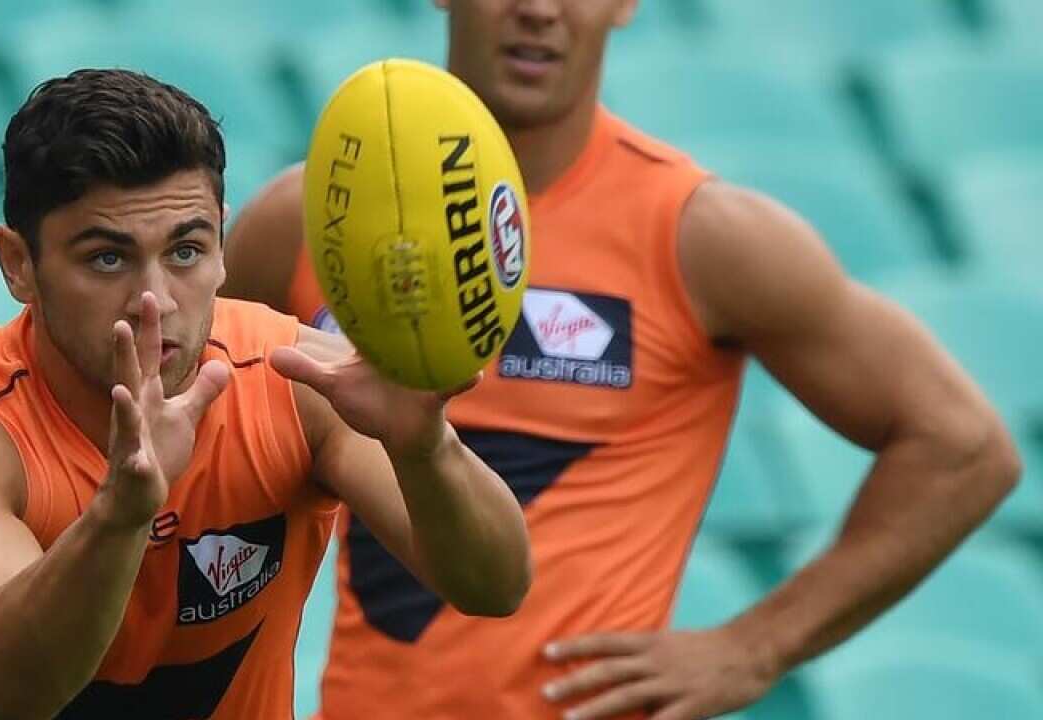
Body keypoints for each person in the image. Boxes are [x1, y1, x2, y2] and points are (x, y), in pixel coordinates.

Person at [220, 1, 1022, 718]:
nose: (539, 11)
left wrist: (757, 646)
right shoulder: (304, 223)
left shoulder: (701, 235)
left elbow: (964, 448)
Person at [0, 68, 530, 720]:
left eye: (185, 251)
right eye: (107, 258)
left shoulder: (294, 380)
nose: (155, 299)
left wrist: (425, 449)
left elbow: (495, 587)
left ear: (221, 246)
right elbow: (11, 691)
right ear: (18, 265)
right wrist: (121, 514)